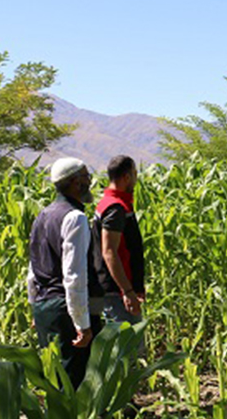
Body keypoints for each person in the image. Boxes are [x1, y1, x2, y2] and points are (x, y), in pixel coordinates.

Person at [28, 157, 104, 388]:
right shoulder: (75, 218)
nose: (89, 181)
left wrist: (35, 307)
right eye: (86, 177)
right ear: (74, 182)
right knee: (73, 385)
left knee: (55, 381)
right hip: (66, 311)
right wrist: (82, 323)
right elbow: (74, 276)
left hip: (45, 308)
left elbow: (33, 269)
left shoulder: (43, 215)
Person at [94, 155, 146, 327]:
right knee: (128, 349)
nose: (136, 179)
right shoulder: (115, 208)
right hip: (117, 294)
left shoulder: (108, 203)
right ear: (126, 177)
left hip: (118, 291)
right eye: (135, 174)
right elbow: (109, 252)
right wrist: (128, 291)